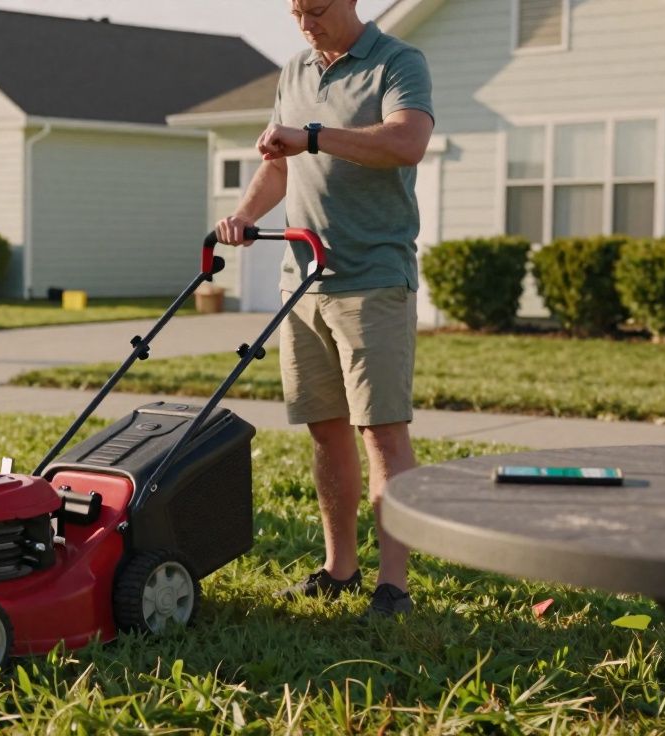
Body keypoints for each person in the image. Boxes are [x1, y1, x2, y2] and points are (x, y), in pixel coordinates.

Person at [214, 0, 434, 618]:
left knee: (382, 431)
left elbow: (407, 142)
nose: (306, 23)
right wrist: (244, 216)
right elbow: (277, 168)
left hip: (373, 279)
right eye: (295, 12)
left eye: (316, 10)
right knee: (325, 427)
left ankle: (395, 588)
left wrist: (312, 136)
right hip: (303, 282)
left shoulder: (398, 62)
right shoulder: (294, 72)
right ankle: (339, 570)